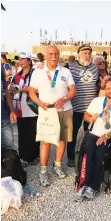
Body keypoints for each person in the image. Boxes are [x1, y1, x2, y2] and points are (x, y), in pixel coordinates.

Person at [29, 45, 76, 186]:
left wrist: (64, 98)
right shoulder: (37, 72)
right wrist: (39, 103)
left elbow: (73, 90)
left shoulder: (65, 71)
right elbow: (32, 92)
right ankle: (43, 171)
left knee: (62, 140)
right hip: (46, 111)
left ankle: (57, 165)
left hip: (64, 110)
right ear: (45, 55)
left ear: (59, 54)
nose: (54, 56)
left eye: (56, 53)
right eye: (51, 54)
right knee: (46, 142)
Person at [75, 78, 111, 202]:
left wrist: (106, 136)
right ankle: (82, 185)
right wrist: (91, 118)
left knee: (100, 155)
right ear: (105, 89)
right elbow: (86, 116)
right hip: (93, 133)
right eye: (108, 88)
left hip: (108, 136)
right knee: (87, 154)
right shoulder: (97, 101)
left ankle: (93, 187)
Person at [67, 44, 99, 167]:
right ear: (79, 54)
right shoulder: (70, 67)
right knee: (73, 133)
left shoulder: (94, 68)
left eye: (89, 53)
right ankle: (70, 157)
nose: (87, 55)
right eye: (84, 53)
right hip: (75, 108)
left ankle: (88, 154)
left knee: (90, 133)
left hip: (90, 109)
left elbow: (98, 82)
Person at [11, 52, 40, 167]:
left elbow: (41, 89)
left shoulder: (35, 74)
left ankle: (34, 156)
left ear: (29, 61)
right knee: (22, 134)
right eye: (19, 59)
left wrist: (30, 89)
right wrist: (12, 88)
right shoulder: (16, 75)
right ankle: (23, 157)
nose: (21, 61)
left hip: (32, 108)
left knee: (33, 133)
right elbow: (12, 90)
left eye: (23, 59)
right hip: (19, 108)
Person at [1, 65, 17, 150]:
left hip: (3, 116)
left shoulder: (0, 67)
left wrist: (11, 110)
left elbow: (5, 90)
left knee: (9, 146)